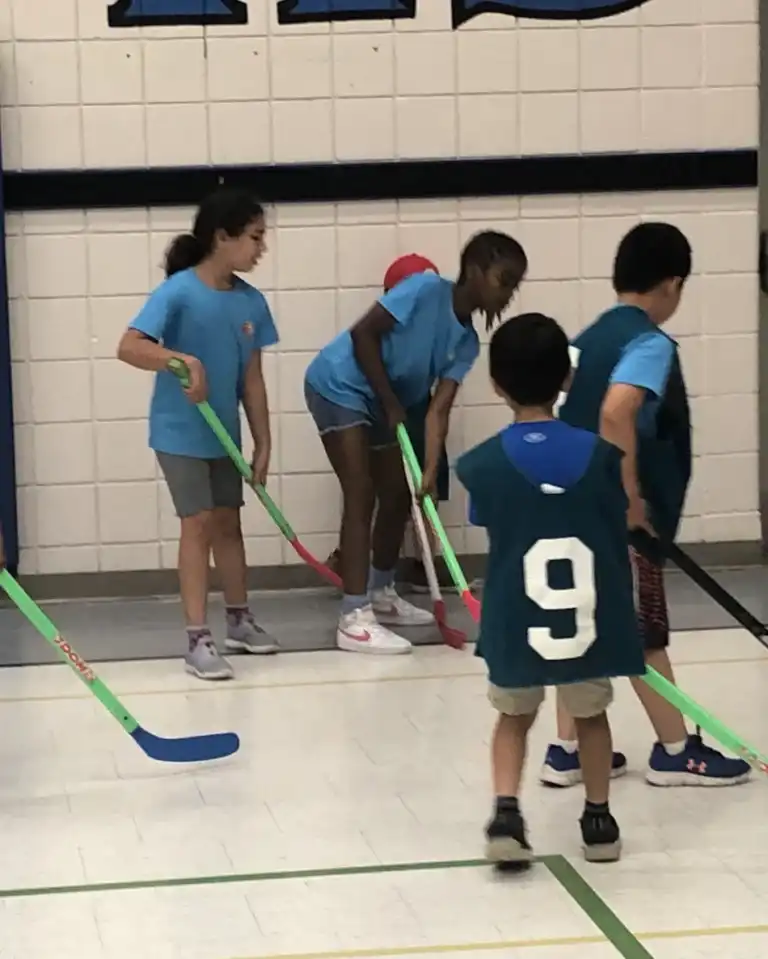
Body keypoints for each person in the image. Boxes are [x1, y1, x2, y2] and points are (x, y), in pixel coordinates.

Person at [540, 222, 751, 787]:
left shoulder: (586, 339)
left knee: (584, 625)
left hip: (574, 508)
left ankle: (566, 750)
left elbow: (563, 412)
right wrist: (631, 501)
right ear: (672, 283)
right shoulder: (647, 343)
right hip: (618, 518)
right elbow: (616, 412)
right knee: (644, 628)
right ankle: (676, 750)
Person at [456, 312, 645, 866]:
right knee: (590, 717)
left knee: (513, 717)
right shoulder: (601, 457)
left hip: (518, 617)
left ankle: (506, 813)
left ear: (496, 383)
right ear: (567, 377)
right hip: (585, 616)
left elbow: (490, 519)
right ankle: (598, 818)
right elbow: (617, 515)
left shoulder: (482, 464)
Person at [305, 231, 527, 654]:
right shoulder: (424, 289)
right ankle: (353, 618)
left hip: (383, 399)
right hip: (339, 384)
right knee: (361, 491)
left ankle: (380, 592)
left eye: (514, 286)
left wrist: (429, 469)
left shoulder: (466, 342)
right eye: (504, 281)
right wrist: (389, 401)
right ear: (475, 271)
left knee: (398, 493)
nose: (508, 294)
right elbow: (363, 335)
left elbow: (438, 410)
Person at [117, 189, 279, 682]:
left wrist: (264, 441)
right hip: (179, 432)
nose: (262, 248)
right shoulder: (179, 292)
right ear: (222, 237)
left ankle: (239, 620)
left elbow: (252, 380)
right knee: (199, 523)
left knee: (229, 523)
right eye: (255, 237)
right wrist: (180, 360)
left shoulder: (252, 302)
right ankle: (196, 639)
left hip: (223, 434)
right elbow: (130, 346)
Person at [325, 253, 454, 593]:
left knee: (423, 486)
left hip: (416, 409)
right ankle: (350, 561)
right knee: (368, 488)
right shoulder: (379, 333)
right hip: (380, 408)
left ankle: (423, 564)